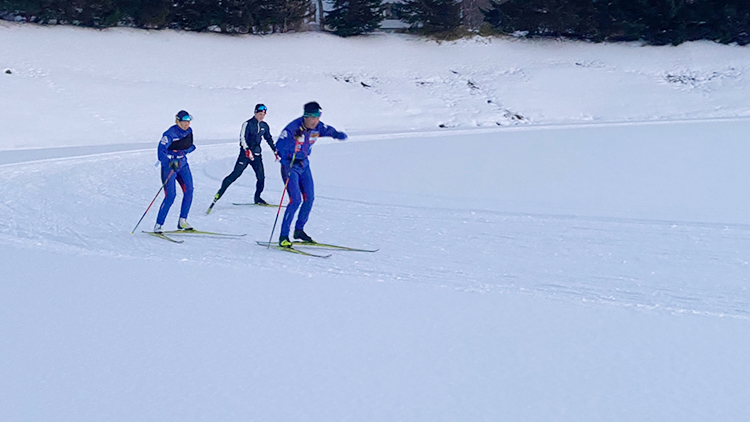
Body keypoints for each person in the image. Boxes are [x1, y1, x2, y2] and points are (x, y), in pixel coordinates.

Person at [275, 101, 347, 247]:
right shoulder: (292, 128)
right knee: (295, 200)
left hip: (304, 165)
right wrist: (289, 148)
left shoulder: (318, 127)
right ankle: (283, 236)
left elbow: (328, 130)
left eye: (318, 117)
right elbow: (279, 146)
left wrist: (337, 135)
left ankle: (299, 230)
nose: (315, 121)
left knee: (310, 198)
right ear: (305, 117)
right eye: (312, 117)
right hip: (290, 166)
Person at [207, 104, 277, 213]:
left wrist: (275, 151)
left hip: (257, 156)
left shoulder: (264, 126)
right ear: (255, 113)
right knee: (235, 175)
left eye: (263, 114)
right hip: (245, 155)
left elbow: (268, 138)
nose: (262, 115)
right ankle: (218, 194)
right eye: (260, 113)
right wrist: (247, 150)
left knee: (261, 177)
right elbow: (242, 138)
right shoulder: (247, 124)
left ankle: (257, 198)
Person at [154, 110, 196, 233]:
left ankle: (182, 221)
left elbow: (190, 146)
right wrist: (169, 161)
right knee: (171, 196)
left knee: (189, 191)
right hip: (170, 166)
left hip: (183, 164)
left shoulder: (189, 132)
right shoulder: (169, 134)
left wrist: (185, 151)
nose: (186, 124)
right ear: (177, 121)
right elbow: (161, 151)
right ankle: (159, 225)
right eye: (183, 122)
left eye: (188, 122)